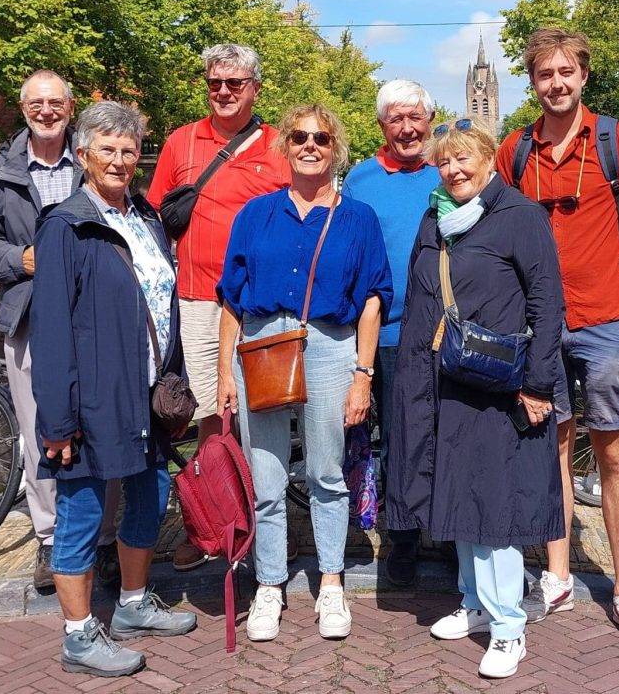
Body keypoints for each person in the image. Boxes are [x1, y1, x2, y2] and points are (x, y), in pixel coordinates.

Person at [496, 27, 619, 652]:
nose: (556, 83)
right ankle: (559, 576)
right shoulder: (516, 151)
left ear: (583, 76)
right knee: (551, 447)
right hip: (539, 328)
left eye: (566, 71)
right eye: (545, 74)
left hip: (604, 323)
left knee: (615, 452)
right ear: (533, 82)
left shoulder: (618, 143)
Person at [387, 119, 564, 680]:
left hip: (498, 385)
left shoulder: (520, 217)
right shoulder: (437, 218)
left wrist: (538, 384)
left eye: (465, 158)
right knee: (457, 495)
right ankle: (473, 604)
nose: (455, 169)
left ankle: (509, 627)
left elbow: (547, 305)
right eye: (446, 161)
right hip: (446, 384)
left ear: (490, 161)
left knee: (495, 506)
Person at [29, 101, 197, 678]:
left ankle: (130, 604)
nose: (120, 160)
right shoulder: (65, 226)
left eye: (129, 150)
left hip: (146, 393)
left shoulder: (145, 217)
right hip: (94, 395)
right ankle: (78, 636)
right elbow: (50, 330)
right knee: (82, 511)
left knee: (150, 496)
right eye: (107, 149)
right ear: (83, 156)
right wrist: (58, 421)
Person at [216, 104, 392, 644]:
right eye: (299, 136)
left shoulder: (357, 217)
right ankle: (269, 583)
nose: (309, 145)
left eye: (320, 137)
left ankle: (332, 582)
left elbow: (372, 299)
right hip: (264, 344)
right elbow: (231, 299)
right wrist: (226, 371)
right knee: (266, 477)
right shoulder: (256, 214)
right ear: (285, 146)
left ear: (335, 147)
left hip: (330, 348)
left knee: (326, 473)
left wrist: (362, 373)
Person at [0, 69, 119, 592]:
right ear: (23, 106)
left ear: (71, 106)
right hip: (29, 315)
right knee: (40, 432)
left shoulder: (91, 164)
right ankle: (51, 536)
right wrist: (21, 259)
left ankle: (103, 538)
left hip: (92, 317)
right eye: (37, 103)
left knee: (101, 423)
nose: (47, 111)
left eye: (56, 102)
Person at [146, 43, 290, 573]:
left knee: (265, 415)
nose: (224, 92)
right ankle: (213, 525)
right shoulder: (182, 142)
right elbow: (155, 217)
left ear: (255, 87)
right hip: (200, 300)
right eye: (215, 83)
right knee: (212, 417)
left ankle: (263, 525)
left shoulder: (281, 146)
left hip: (262, 307)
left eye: (235, 83)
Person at [340, 79, 440, 587]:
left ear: (429, 120)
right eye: (396, 119)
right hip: (366, 327)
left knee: (411, 436)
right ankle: (356, 531)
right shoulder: (358, 180)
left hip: (425, 332)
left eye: (416, 117)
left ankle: (411, 535)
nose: (407, 128)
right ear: (381, 125)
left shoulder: (448, 174)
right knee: (355, 433)